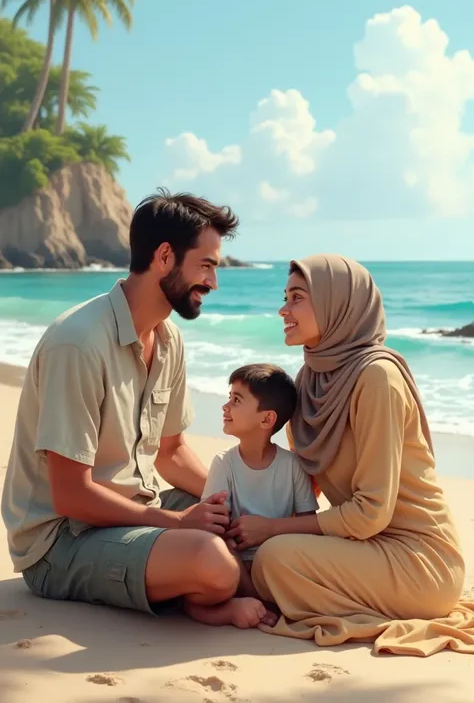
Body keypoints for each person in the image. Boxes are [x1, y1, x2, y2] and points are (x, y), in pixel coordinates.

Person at [1, 189, 273, 629]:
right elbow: (71, 495)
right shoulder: (79, 343)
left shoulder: (168, 341)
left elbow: (171, 453)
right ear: (165, 256)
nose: (214, 282)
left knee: (234, 518)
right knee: (214, 562)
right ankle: (200, 597)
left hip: (136, 511)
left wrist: (245, 504)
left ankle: (199, 582)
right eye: (206, 265)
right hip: (62, 541)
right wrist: (175, 523)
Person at [228, 254, 474, 656]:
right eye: (285, 296)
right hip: (363, 548)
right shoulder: (312, 380)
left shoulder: (377, 379)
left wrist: (272, 530)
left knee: (273, 558)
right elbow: (303, 489)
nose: (283, 309)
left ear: (335, 304)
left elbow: (370, 513)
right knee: (258, 550)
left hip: (419, 560)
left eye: (297, 297)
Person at [187, 363, 318, 627]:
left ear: (267, 419)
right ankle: (232, 608)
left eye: (236, 400)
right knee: (204, 573)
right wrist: (251, 591)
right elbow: (213, 534)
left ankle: (253, 602)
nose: (225, 407)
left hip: (276, 567)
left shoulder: (292, 466)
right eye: (228, 398)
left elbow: (308, 529)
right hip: (232, 567)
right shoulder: (224, 463)